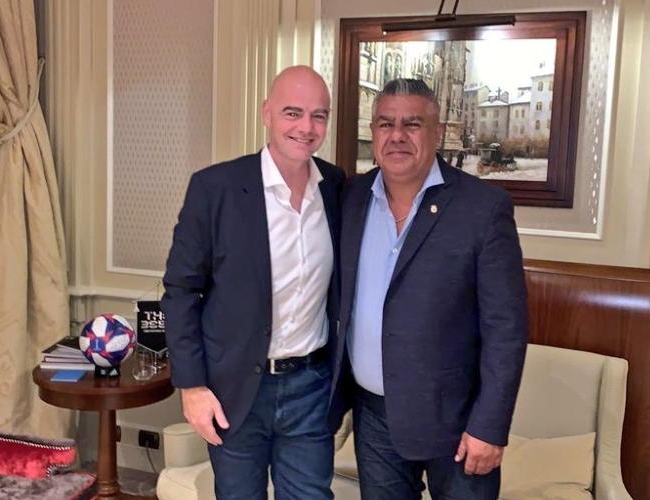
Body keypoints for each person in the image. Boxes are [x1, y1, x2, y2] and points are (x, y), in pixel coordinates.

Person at [328, 79, 529, 499]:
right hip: (374, 416)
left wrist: (489, 427)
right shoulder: (352, 196)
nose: (397, 135)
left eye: (413, 124)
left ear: (437, 134)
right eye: (386, 124)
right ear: (373, 131)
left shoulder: (483, 208)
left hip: (456, 421)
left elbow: (506, 328)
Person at [162, 65, 344, 499]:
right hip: (236, 389)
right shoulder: (215, 188)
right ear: (266, 113)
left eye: (318, 116)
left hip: (312, 387)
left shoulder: (336, 187)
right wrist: (192, 387)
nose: (306, 127)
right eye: (292, 113)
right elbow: (181, 291)